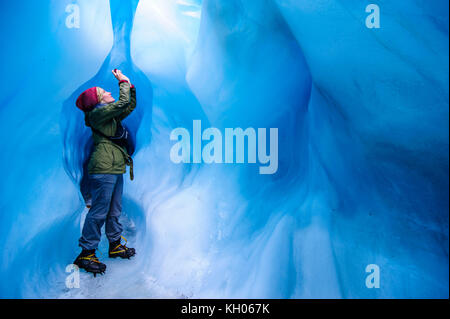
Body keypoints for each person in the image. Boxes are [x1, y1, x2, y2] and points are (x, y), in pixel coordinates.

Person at [73, 69, 137, 276]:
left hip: (114, 167)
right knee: (99, 211)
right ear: (99, 99)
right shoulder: (98, 114)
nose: (109, 93)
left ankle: (115, 244)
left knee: (114, 210)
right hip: (103, 168)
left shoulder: (108, 116)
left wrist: (131, 88)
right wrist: (123, 82)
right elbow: (121, 103)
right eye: (104, 92)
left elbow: (127, 105)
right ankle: (86, 253)